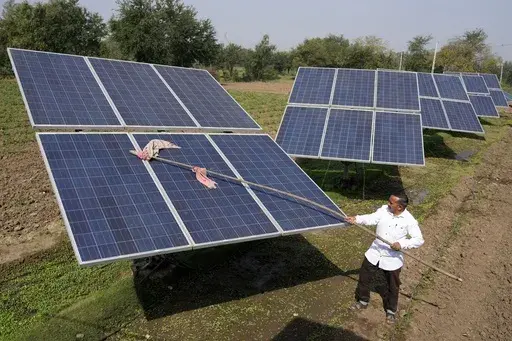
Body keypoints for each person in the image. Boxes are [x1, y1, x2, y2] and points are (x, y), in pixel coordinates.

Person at [345, 192, 424, 324]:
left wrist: (402, 244)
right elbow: (372, 218)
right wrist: (356, 219)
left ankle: (391, 310)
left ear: (399, 207)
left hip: (392, 259)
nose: (388, 204)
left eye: (391, 202)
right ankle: (363, 300)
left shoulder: (409, 221)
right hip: (374, 252)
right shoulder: (384, 210)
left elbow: (419, 240)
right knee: (364, 278)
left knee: (392, 286)